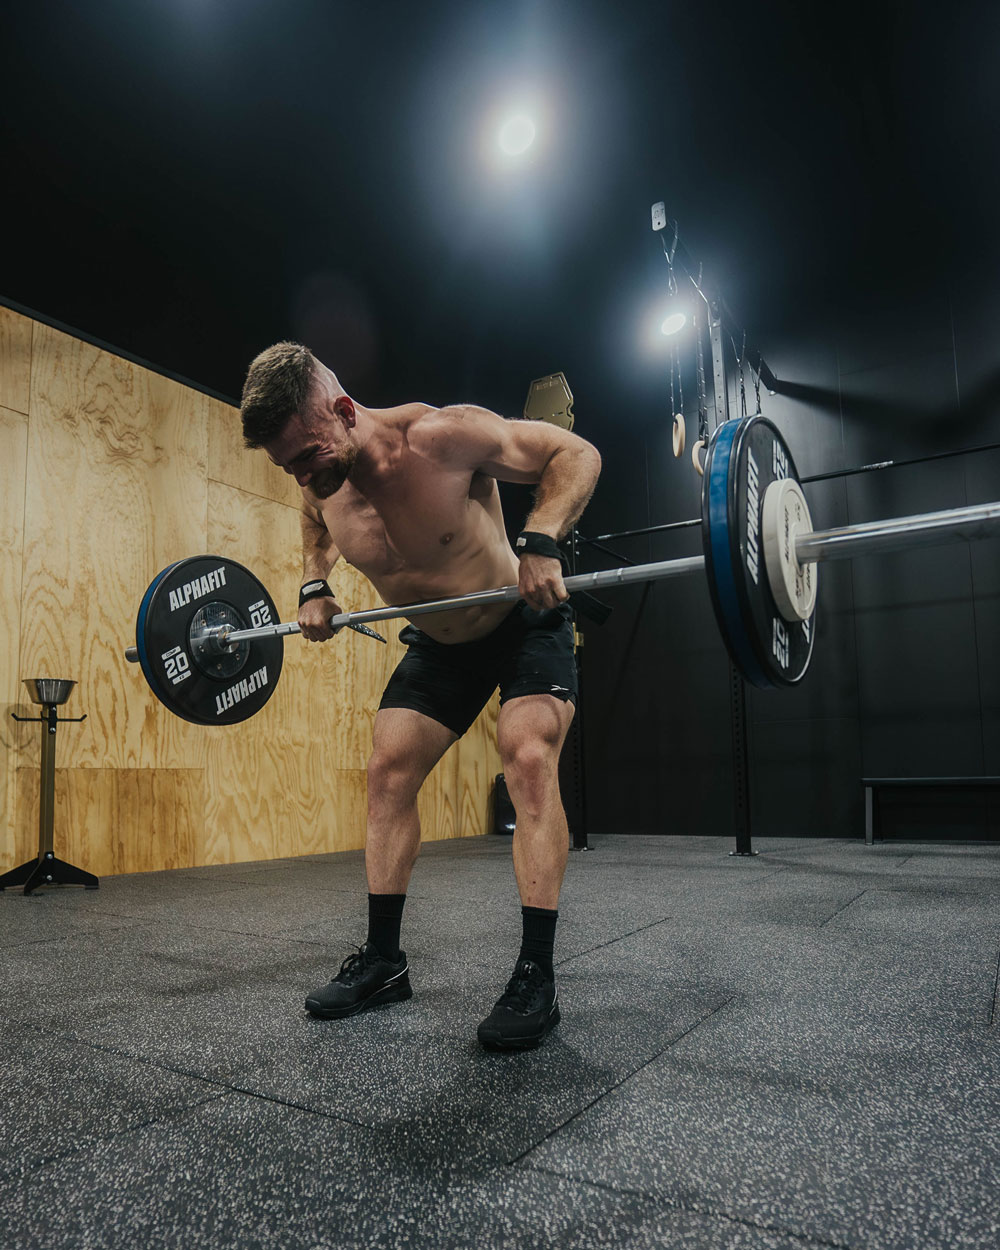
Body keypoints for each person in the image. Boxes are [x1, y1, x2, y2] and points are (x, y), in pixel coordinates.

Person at [240, 342, 601, 1050]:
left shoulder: (440, 437)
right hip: (440, 644)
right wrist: (315, 583)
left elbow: (576, 455)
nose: (302, 475)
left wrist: (543, 539)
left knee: (526, 758)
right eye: (289, 467)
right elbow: (315, 522)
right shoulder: (318, 474)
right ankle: (383, 962)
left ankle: (536, 974)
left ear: (344, 412)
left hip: (522, 620)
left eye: (307, 455)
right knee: (388, 772)